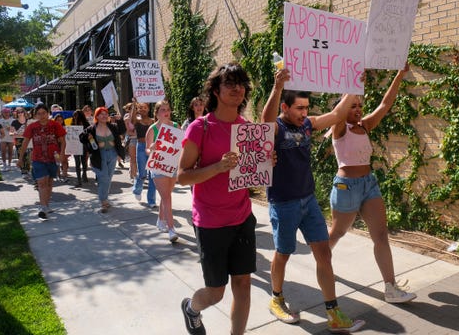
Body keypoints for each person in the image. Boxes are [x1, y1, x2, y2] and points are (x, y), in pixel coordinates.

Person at [261, 68, 364, 333]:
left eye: (306, 108)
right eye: (298, 108)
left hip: (308, 202)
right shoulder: (276, 128)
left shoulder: (307, 124)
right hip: (283, 203)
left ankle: (333, 312)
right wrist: (277, 87)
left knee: (324, 254)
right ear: (285, 106)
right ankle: (276, 298)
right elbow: (265, 120)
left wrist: (354, 85)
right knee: (283, 254)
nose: (304, 113)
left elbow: (336, 115)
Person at [177, 63, 257, 335]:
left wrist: (264, 163)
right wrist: (216, 168)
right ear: (215, 90)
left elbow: (252, 177)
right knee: (215, 293)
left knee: (244, 283)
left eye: (241, 84)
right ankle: (191, 308)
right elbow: (182, 176)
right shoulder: (201, 127)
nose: (237, 89)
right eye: (230, 83)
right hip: (210, 221)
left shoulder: (247, 128)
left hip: (242, 216)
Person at [328, 63, 416, 304]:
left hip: (369, 185)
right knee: (337, 232)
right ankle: (322, 261)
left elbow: (385, 104)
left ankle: (390, 287)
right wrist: (353, 84)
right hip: (346, 187)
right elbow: (339, 112)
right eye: (352, 106)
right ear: (343, 108)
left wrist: (399, 74)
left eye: (359, 105)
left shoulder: (365, 125)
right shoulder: (339, 128)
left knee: (381, 235)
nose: (357, 109)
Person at [18, 103, 66, 220]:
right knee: (41, 182)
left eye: (44, 113)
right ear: (35, 115)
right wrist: (20, 159)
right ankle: (43, 207)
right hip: (38, 158)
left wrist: (62, 154)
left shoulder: (55, 125)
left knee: (49, 182)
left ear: (48, 113)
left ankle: (47, 205)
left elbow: (62, 141)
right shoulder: (32, 127)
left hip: (53, 158)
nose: (42, 116)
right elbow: (24, 143)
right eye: (39, 114)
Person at [145, 100, 180, 242]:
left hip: (172, 165)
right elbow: (147, 151)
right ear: (157, 113)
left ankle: (160, 219)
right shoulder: (152, 129)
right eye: (162, 110)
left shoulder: (176, 126)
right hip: (158, 166)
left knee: (166, 195)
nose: (166, 112)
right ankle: (171, 229)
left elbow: (181, 145)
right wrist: (151, 148)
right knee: (167, 198)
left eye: (168, 109)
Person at [80, 107, 126, 213]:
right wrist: (88, 136)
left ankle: (105, 198)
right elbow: (81, 137)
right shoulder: (92, 128)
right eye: (101, 114)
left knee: (108, 178)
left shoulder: (113, 126)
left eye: (106, 114)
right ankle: (103, 201)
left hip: (112, 154)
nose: (104, 116)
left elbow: (123, 131)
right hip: (99, 156)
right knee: (104, 178)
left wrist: (120, 120)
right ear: (96, 116)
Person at [129, 100, 157, 207]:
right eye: (140, 108)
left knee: (153, 176)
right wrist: (133, 105)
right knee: (142, 174)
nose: (143, 109)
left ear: (149, 109)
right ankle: (137, 190)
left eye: (145, 107)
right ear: (138, 110)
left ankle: (151, 200)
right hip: (140, 147)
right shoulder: (137, 120)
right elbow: (131, 119)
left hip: (152, 148)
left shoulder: (154, 121)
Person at [70, 109, 90, 187]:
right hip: (75, 145)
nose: (75, 117)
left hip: (83, 145)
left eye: (77, 115)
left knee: (84, 161)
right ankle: (79, 180)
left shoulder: (86, 124)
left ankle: (84, 174)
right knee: (77, 162)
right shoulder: (72, 124)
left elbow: (89, 133)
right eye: (74, 115)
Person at [11, 108, 31, 176]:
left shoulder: (28, 121)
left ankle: (28, 169)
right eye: (18, 112)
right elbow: (11, 133)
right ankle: (23, 170)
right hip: (19, 140)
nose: (20, 113)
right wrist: (17, 134)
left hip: (28, 140)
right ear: (16, 114)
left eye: (21, 112)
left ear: (24, 112)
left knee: (28, 155)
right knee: (21, 155)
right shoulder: (14, 122)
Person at [122, 102, 138, 180]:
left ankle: (134, 171)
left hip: (141, 140)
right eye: (132, 108)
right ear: (128, 110)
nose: (135, 109)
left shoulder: (139, 116)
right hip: (132, 139)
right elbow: (129, 131)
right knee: (133, 158)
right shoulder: (126, 117)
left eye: (135, 108)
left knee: (139, 158)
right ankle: (133, 175)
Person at [53, 114, 70, 182]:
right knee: (57, 162)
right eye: (58, 120)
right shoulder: (53, 128)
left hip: (65, 147)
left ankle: (65, 175)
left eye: (61, 120)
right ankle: (57, 175)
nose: (59, 121)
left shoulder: (66, 128)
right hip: (56, 147)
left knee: (64, 161)